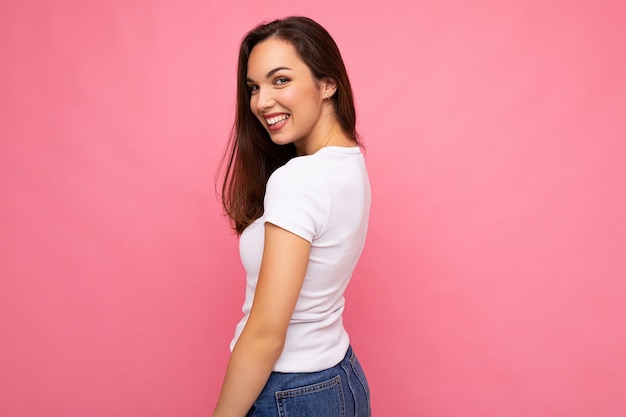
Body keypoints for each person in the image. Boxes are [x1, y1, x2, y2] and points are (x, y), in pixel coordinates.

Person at [214, 16, 372, 417]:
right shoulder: (349, 162)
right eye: (254, 87)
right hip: (341, 377)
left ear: (327, 83)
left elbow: (266, 335)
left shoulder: (300, 178)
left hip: (290, 391)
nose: (261, 101)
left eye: (280, 80)